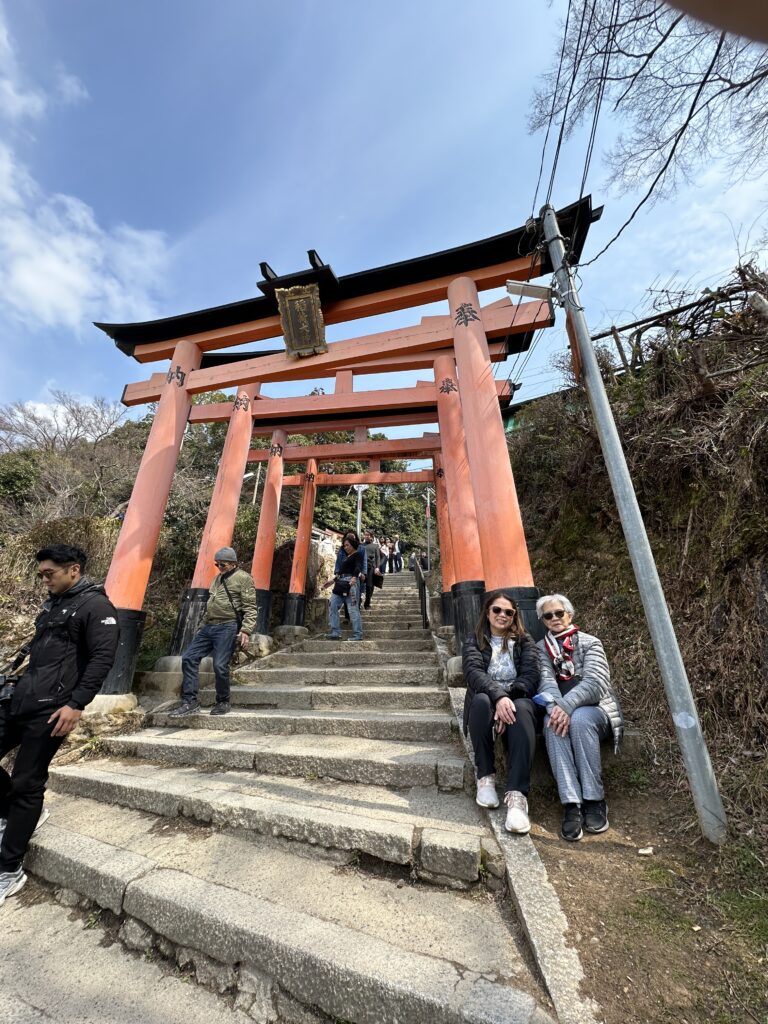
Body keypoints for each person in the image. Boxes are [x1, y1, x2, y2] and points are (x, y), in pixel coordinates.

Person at [0, 544, 119, 909]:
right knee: (18, 787)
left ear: (74, 570)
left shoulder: (96, 606)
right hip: (22, 699)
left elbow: (103, 658)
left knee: (26, 781)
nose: (44, 580)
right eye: (41, 575)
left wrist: (76, 704)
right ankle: (11, 815)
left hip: (54, 708)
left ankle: (8, 868)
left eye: (49, 573)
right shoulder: (52, 606)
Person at [535, 594, 624, 842]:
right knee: (552, 725)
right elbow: (545, 681)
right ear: (543, 620)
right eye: (548, 615)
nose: (554, 618)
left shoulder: (590, 642)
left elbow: (596, 683)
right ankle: (571, 804)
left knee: (581, 719)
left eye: (559, 613)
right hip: (558, 710)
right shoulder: (541, 649)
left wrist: (566, 705)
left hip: (594, 710)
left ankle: (595, 799)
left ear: (570, 615)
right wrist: (556, 709)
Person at [462, 592, 540, 834]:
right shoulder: (474, 639)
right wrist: (499, 697)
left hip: (516, 699)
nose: (502, 615)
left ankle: (517, 796)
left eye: (508, 612)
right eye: (497, 610)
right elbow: (473, 672)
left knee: (525, 709)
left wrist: (509, 699)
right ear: (487, 612)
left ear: (514, 616)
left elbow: (531, 675)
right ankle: (485, 776)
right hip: (486, 697)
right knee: (483, 701)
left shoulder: (525, 641)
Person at [169, 547, 257, 718]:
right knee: (189, 658)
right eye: (217, 564)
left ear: (233, 563)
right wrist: (202, 626)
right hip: (209, 626)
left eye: (222, 564)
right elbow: (211, 604)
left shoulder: (244, 579)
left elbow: (250, 607)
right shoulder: (217, 579)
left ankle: (223, 701)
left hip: (228, 626)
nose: (219, 567)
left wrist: (245, 630)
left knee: (219, 665)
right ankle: (190, 701)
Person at [324, 535, 363, 641]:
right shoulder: (346, 558)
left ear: (353, 545)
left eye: (347, 545)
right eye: (344, 545)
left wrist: (355, 577)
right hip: (340, 584)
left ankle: (357, 634)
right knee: (332, 604)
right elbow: (340, 573)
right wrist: (332, 581)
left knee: (353, 609)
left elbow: (358, 566)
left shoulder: (357, 554)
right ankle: (335, 632)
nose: (345, 547)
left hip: (351, 583)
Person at [362, 530, 381, 610]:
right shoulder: (361, 545)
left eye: (368, 535)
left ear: (371, 536)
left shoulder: (375, 546)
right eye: (365, 535)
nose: (366, 536)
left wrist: (377, 567)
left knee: (370, 586)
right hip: (362, 567)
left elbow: (378, 557)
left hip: (371, 568)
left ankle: (367, 602)